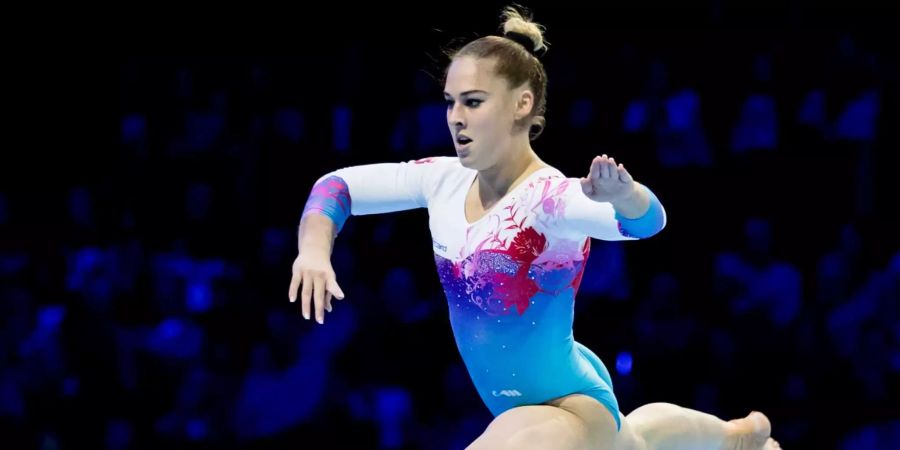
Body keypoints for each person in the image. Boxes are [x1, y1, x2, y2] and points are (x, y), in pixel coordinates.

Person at [288, 6, 780, 449]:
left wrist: (625, 196)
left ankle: (734, 440)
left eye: (473, 102)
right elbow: (338, 187)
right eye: (450, 102)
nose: (455, 118)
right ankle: (736, 437)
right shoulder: (440, 180)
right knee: (633, 443)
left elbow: (647, 223)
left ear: (522, 105)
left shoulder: (550, 199)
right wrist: (313, 250)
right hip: (537, 407)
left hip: (566, 406)